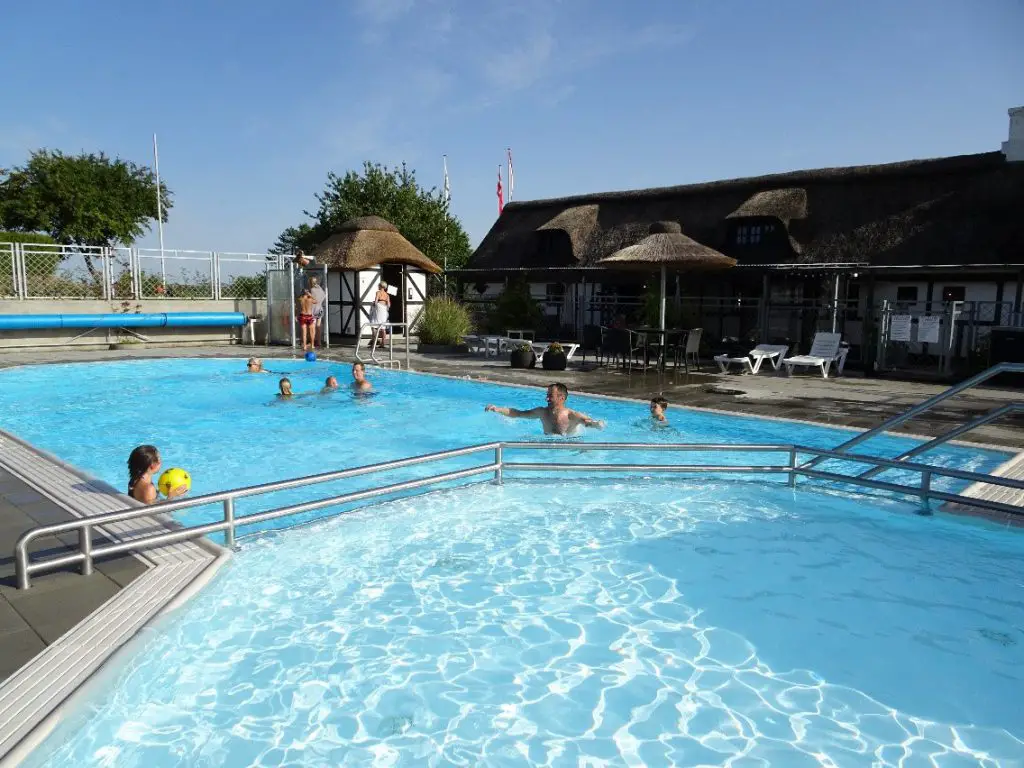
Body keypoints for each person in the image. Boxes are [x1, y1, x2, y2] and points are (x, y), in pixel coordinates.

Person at [485, 382, 605, 435]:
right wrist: (497, 409)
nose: (546, 399)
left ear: (561, 398)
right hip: (548, 447)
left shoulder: (571, 415)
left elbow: (587, 422)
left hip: (568, 450)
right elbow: (518, 413)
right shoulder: (542, 412)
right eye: (547, 395)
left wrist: (596, 424)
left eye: (550, 396)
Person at [308, 277, 327, 348]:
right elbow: (324, 296)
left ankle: (312, 343)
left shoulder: (312, 290)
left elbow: (312, 299)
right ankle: (319, 342)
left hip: (314, 310)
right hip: (320, 309)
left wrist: (308, 294)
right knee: (318, 327)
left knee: (312, 327)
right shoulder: (320, 289)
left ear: (310, 283)